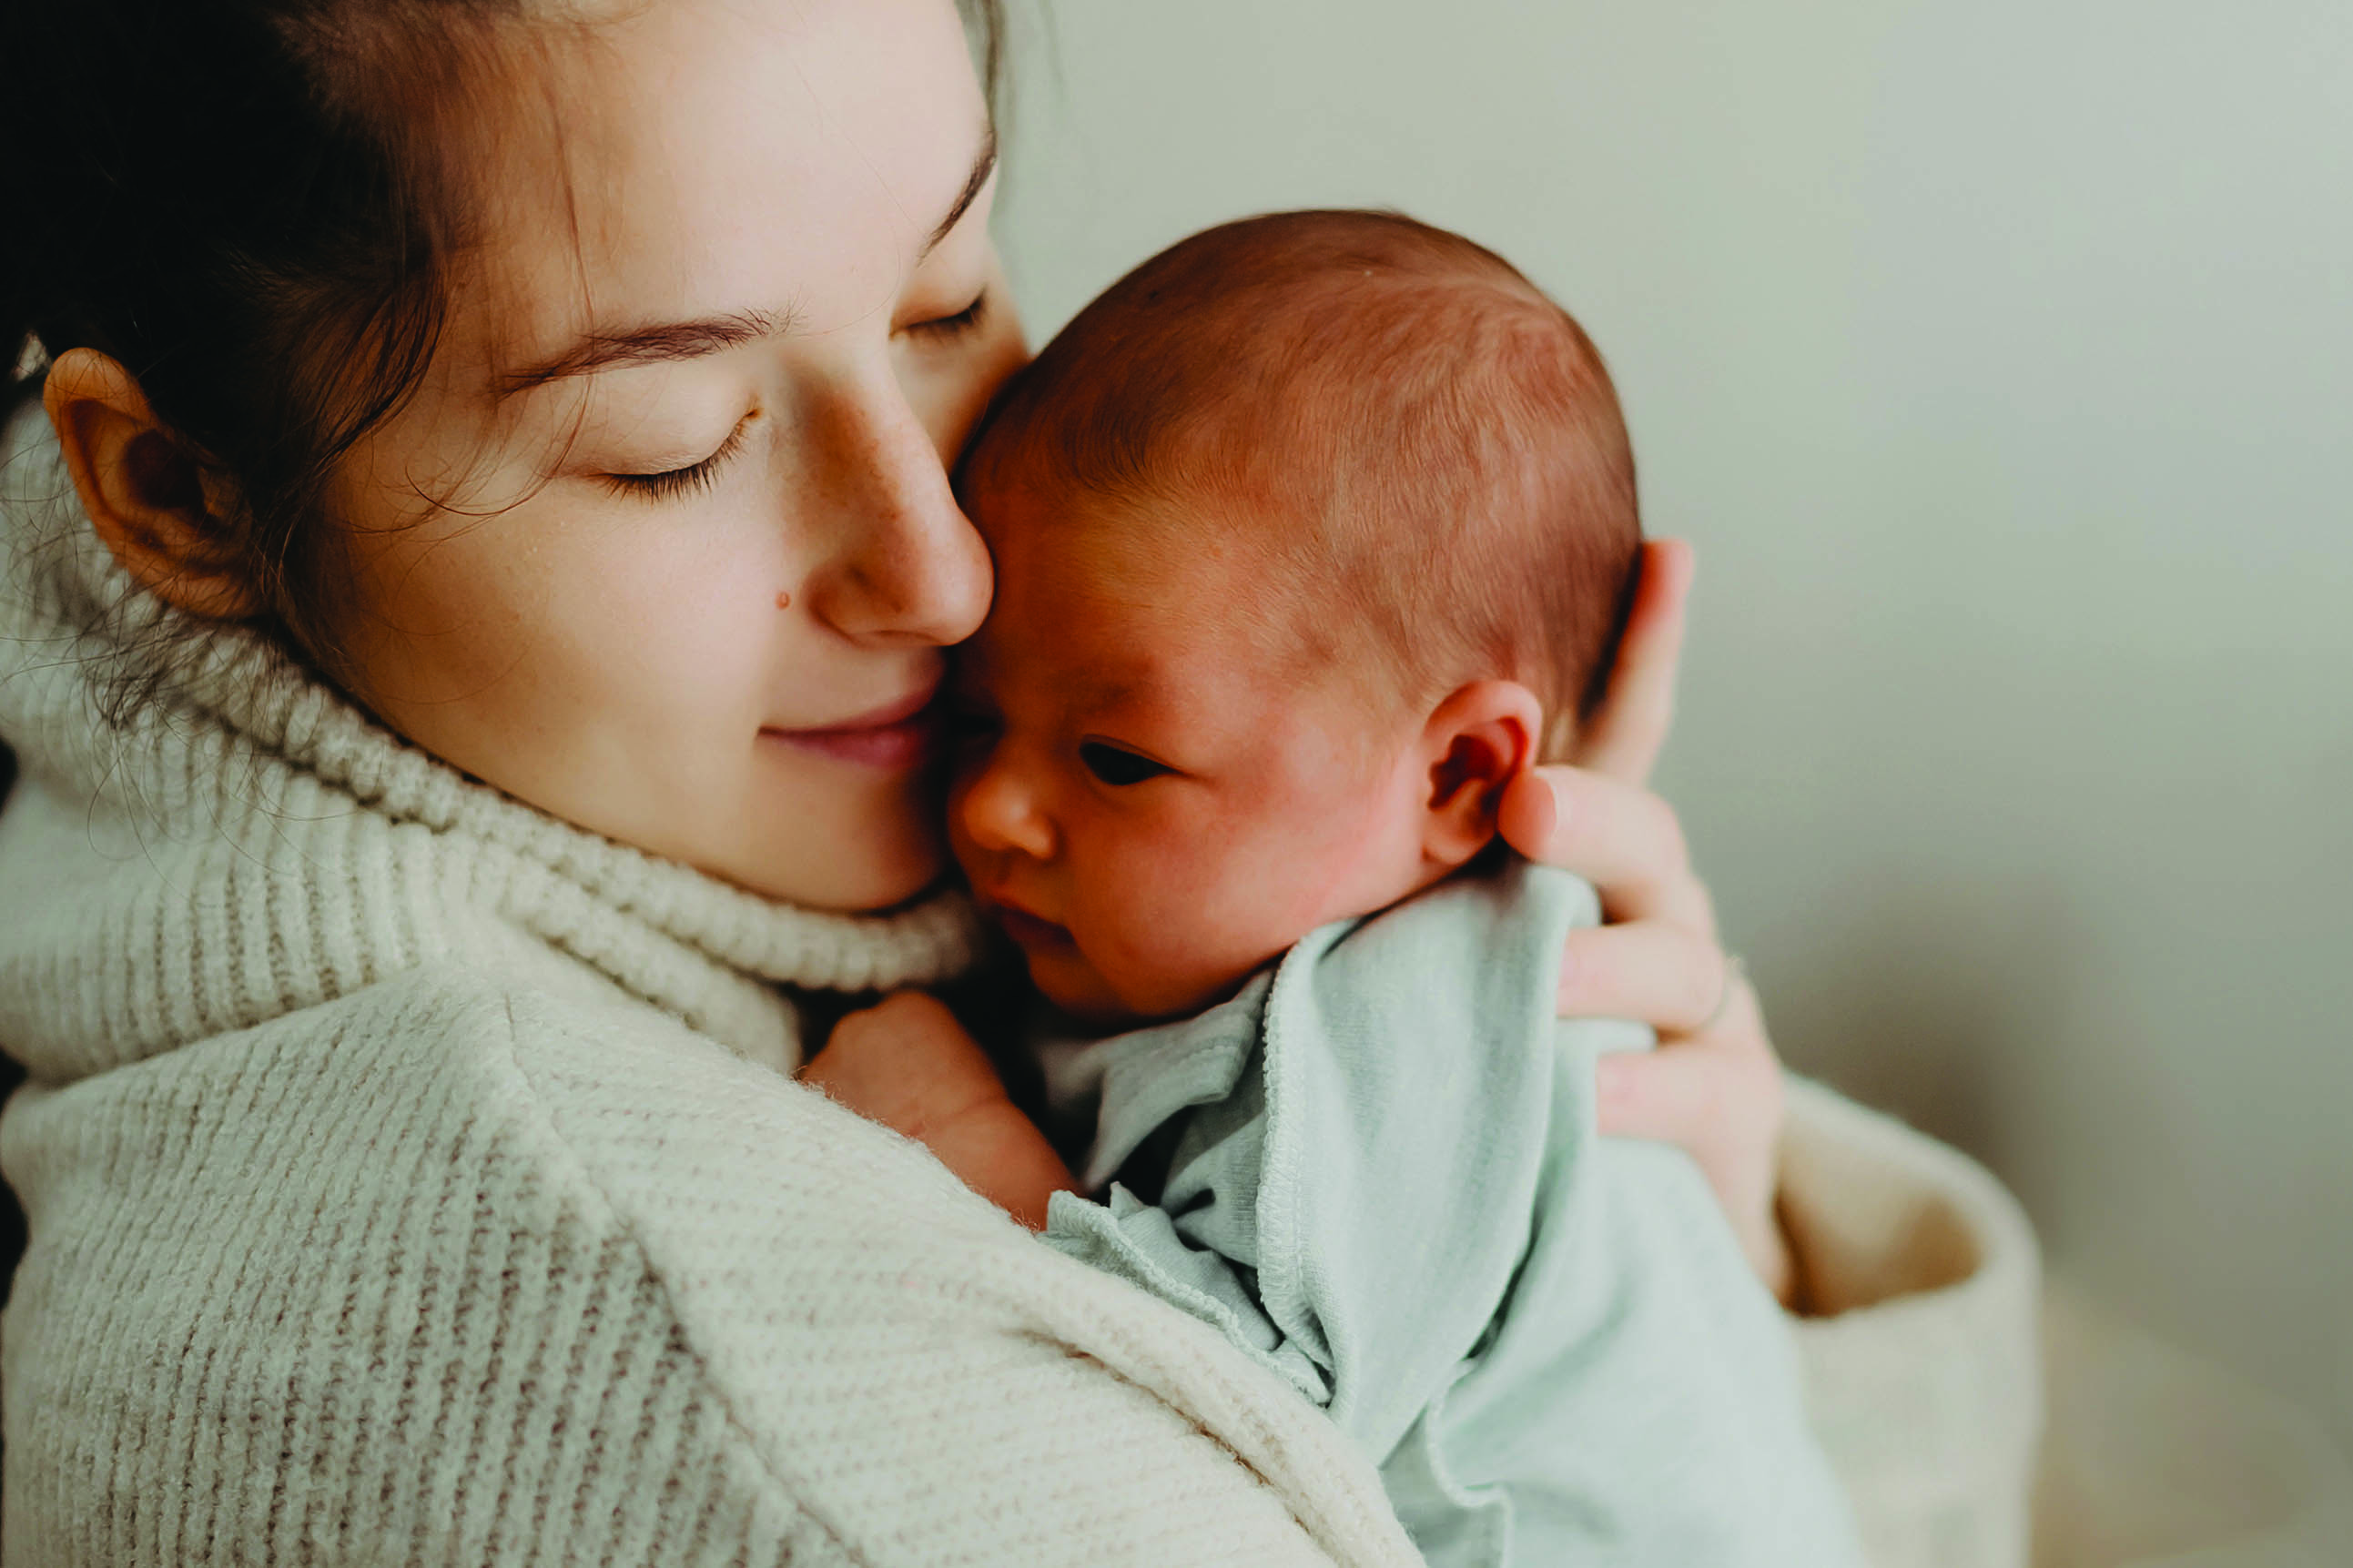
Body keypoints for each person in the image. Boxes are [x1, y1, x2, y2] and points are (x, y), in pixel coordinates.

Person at [0, 1, 2038, 1564]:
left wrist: (1694, 1235)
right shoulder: (779, 1429)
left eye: (946, 297)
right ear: (178, 489)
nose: (945, 566)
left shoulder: (827, 876)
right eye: (674, 438)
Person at [806, 207, 1870, 1567]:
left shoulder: (1398, 1029)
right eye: (972, 717)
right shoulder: (1264, 941)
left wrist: (963, 1145)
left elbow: (1226, 1424)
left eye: (1118, 758)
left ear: (1459, 775)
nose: (989, 807)